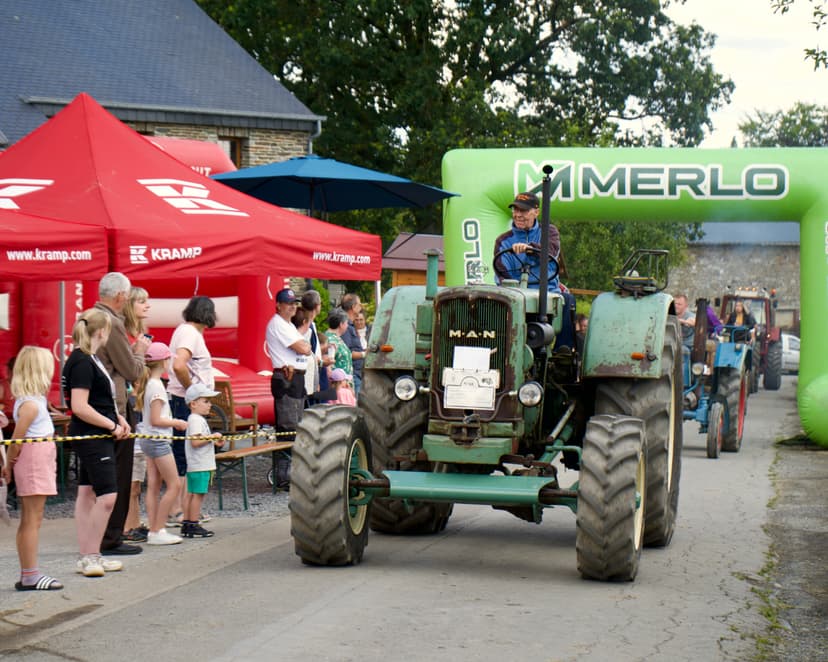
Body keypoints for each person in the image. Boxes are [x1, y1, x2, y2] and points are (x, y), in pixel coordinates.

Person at [62, 309, 129, 577]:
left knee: (87, 493)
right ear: (102, 332)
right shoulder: (81, 361)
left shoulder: (89, 358)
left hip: (98, 431)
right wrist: (111, 425)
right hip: (93, 435)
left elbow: (101, 400)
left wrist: (118, 418)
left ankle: (90, 554)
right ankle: (90, 555)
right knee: (107, 496)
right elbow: (79, 406)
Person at [94, 272, 150, 556]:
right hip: (115, 404)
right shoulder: (112, 323)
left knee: (95, 480)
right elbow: (131, 370)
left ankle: (97, 536)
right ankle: (111, 536)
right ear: (120, 297)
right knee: (119, 473)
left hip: (93, 403)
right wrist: (139, 350)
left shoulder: (87, 317)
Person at [2, 346, 63, 591]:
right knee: (31, 519)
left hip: (39, 459)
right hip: (34, 462)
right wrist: (9, 463)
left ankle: (30, 573)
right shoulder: (30, 404)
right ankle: (30, 574)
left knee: (33, 518)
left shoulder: (33, 401)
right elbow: (16, 441)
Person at [493, 192, 576, 349]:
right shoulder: (503, 241)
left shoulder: (549, 232)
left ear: (536, 212)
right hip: (516, 295)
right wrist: (515, 289)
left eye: (523, 211)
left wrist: (531, 249)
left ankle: (562, 352)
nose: (518, 215)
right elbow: (501, 271)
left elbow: (550, 252)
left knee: (567, 300)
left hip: (547, 294)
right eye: (515, 210)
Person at [166, 295, 217, 527]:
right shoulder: (190, 334)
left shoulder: (184, 330)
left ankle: (185, 509)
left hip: (183, 398)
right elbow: (179, 364)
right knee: (185, 456)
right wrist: (192, 391)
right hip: (183, 399)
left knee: (184, 454)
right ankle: (179, 510)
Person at [135, 342, 188, 545]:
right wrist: (177, 422)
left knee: (154, 486)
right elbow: (157, 419)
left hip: (149, 439)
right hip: (158, 440)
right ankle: (158, 529)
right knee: (174, 484)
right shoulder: (156, 386)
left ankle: (154, 528)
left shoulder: (149, 384)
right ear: (164, 361)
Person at [123, 286, 152, 544]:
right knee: (130, 476)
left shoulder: (139, 334)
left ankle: (133, 522)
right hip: (129, 406)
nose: (148, 306)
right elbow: (130, 373)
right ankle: (126, 525)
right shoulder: (125, 336)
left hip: (139, 406)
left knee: (137, 476)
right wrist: (140, 352)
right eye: (142, 301)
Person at [266, 288, 312, 441]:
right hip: (287, 376)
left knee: (297, 425)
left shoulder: (289, 325)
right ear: (279, 305)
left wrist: (304, 346)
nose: (293, 306)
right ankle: (284, 464)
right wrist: (304, 346)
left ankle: (291, 462)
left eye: (294, 303)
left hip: (295, 377)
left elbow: (305, 347)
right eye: (288, 303)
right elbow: (304, 348)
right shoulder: (278, 324)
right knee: (288, 428)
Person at [181, 383, 224, 538]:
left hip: (197, 464)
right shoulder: (196, 420)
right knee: (198, 494)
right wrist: (212, 437)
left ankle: (187, 523)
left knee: (192, 493)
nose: (209, 405)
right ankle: (193, 523)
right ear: (193, 404)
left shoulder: (196, 419)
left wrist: (213, 441)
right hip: (200, 464)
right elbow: (196, 442)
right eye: (205, 401)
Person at [340, 293, 366, 395]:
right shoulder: (346, 327)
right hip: (352, 375)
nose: (361, 306)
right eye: (359, 304)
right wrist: (364, 354)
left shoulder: (350, 325)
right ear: (353, 307)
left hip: (356, 374)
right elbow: (346, 352)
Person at [325, 308, 354, 378]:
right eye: (346, 323)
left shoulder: (336, 338)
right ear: (341, 324)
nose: (347, 326)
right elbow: (328, 366)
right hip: (338, 384)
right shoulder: (330, 340)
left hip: (344, 384)